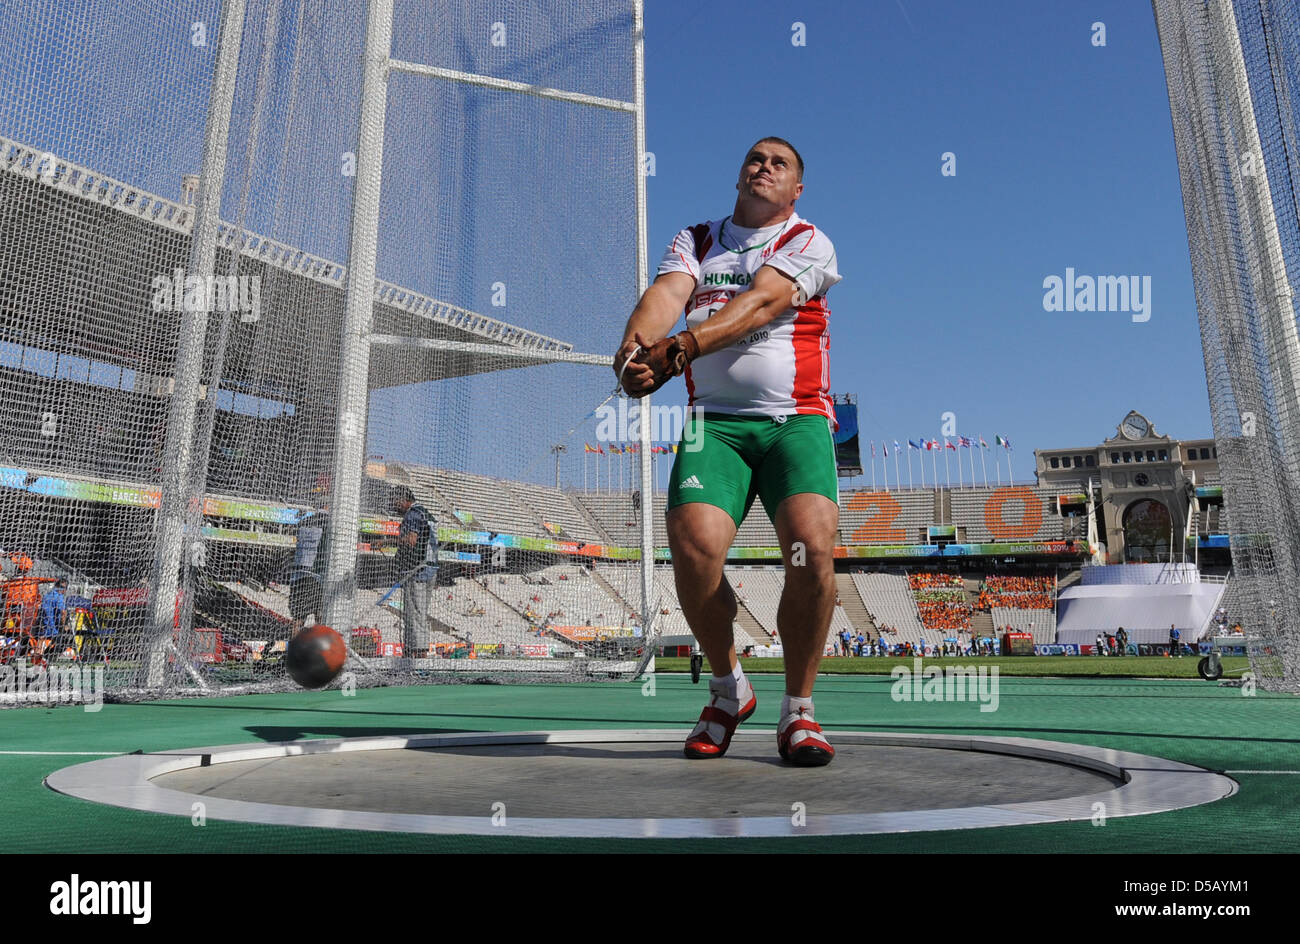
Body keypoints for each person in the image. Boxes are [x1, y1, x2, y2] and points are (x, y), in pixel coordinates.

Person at [614, 136, 842, 766]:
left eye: (780, 164)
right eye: (755, 158)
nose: (763, 167)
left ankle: (799, 712)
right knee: (693, 551)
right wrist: (634, 353)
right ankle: (727, 688)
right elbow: (662, 299)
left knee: (811, 549)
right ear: (739, 173)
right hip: (710, 424)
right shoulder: (695, 239)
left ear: (796, 188)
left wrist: (683, 345)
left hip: (796, 420)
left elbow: (759, 304)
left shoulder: (807, 240)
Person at [387, 487, 437, 660]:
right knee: (419, 613)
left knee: (413, 614)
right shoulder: (426, 513)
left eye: (395, 500)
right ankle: (416, 654)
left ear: (403, 499)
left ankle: (416, 658)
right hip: (430, 568)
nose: (394, 504)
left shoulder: (412, 514)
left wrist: (387, 541)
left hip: (416, 570)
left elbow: (411, 540)